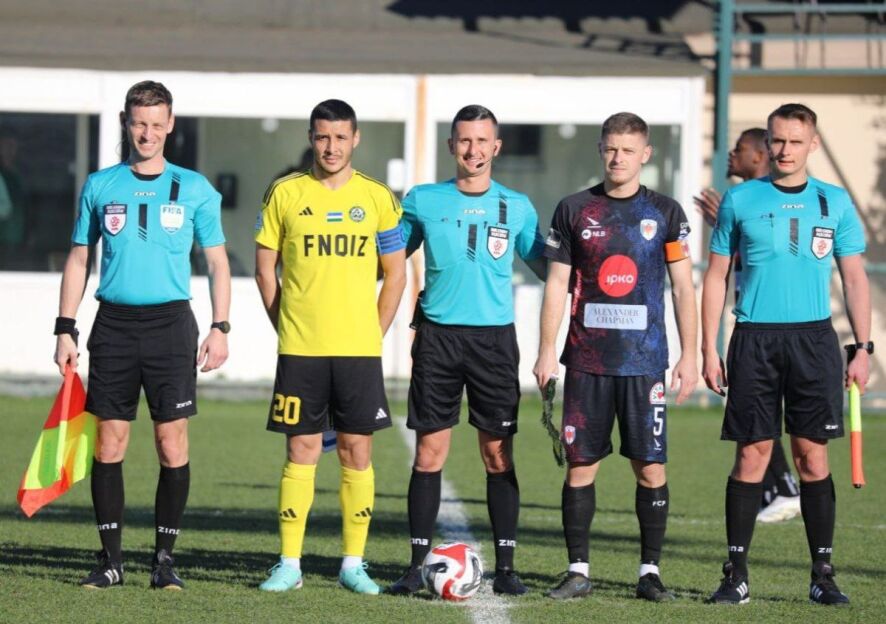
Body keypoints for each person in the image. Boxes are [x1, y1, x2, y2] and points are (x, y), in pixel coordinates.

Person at [54, 80, 231, 590]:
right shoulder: (101, 185)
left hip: (171, 326)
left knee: (171, 442)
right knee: (110, 441)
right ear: (126, 124)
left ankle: (164, 560)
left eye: (156, 124)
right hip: (113, 326)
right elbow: (79, 258)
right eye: (139, 124)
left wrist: (220, 326)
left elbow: (217, 263)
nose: (147, 133)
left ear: (170, 125)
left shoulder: (194, 188)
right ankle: (111, 561)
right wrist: (65, 327)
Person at [703, 103, 870, 606]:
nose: (785, 150)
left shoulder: (834, 201)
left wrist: (863, 349)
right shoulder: (740, 199)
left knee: (811, 457)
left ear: (812, 144)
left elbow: (854, 278)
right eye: (777, 140)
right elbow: (716, 275)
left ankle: (823, 575)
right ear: (768, 142)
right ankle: (736, 574)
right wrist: (709, 347)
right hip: (754, 339)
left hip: (814, 341)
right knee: (751, 454)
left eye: (795, 141)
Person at [534, 112, 697, 602]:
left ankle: (650, 573)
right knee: (580, 466)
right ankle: (577, 571)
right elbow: (558, 284)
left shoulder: (665, 212)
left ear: (646, 154)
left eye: (628, 150)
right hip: (587, 361)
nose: (618, 158)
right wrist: (546, 350)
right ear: (600, 150)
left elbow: (683, 288)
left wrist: (690, 354)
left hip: (644, 364)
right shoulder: (574, 209)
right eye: (610, 148)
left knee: (650, 468)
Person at [387, 104, 546, 597]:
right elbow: (389, 256)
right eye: (464, 140)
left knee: (497, 454)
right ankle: (416, 566)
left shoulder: (517, 205)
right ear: (451, 145)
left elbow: (548, 267)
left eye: (482, 141)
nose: (473, 150)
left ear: (496, 147)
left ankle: (507, 568)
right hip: (437, 338)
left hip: (493, 343)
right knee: (429, 452)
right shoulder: (423, 200)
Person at [255, 99, 406, 595]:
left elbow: (396, 274)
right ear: (311, 138)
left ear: (355, 139)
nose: (331, 147)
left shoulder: (378, 197)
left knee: (356, 452)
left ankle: (353, 565)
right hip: (301, 350)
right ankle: (289, 564)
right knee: (300, 451)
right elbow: (265, 269)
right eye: (323, 137)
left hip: (357, 351)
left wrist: (373, 332)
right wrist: (286, 327)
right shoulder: (285, 192)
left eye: (341, 137)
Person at [694, 128, 803, 524]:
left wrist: (731, 229)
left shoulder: (775, 200)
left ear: (759, 155)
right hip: (752, 322)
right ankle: (778, 488)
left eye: (738, 149)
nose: (730, 155)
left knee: (762, 415)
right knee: (754, 414)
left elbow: (772, 256)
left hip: (777, 328)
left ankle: (785, 488)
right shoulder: (741, 200)